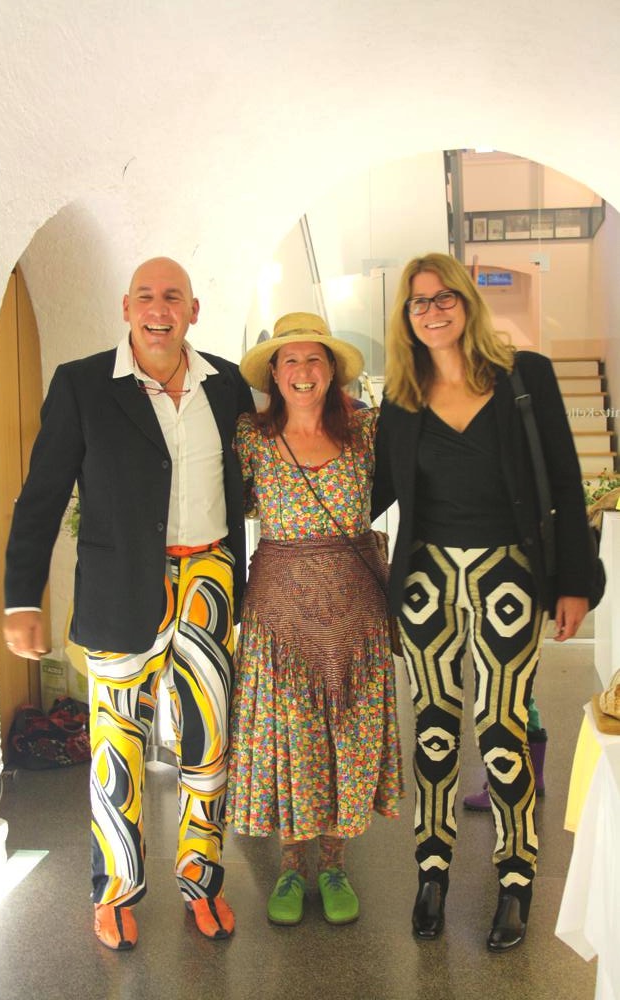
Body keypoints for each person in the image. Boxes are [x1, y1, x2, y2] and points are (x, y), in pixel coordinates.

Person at [3, 257, 254, 949]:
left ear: (193, 311)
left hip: (209, 581)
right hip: (120, 589)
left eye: (172, 296)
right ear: (126, 307)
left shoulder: (227, 384)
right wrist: (22, 596)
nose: (158, 308)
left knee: (209, 746)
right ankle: (114, 892)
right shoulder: (83, 384)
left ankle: (202, 880)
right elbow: (41, 496)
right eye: (146, 296)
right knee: (117, 747)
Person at [372, 252, 593, 952]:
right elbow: (371, 490)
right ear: (405, 317)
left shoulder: (524, 377)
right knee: (433, 730)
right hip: (426, 580)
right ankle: (431, 872)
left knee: (501, 730)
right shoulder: (401, 398)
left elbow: (564, 480)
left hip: (508, 576)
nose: (432, 311)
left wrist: (574, 580)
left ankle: (516, 877)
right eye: (418, 302)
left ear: (467, 302)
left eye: (444, 297)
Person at [227, 312, 404, 927]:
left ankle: (333, 865)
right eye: (291, 361)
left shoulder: (367, 432)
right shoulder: (251, 438)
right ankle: (289, 867)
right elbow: (226, 505)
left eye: (314, 359)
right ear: (274, 373)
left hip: (355, 612)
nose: (303, 372)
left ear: (331, 371)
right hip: (279, 616)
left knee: (345, 741)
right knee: (292, 742)